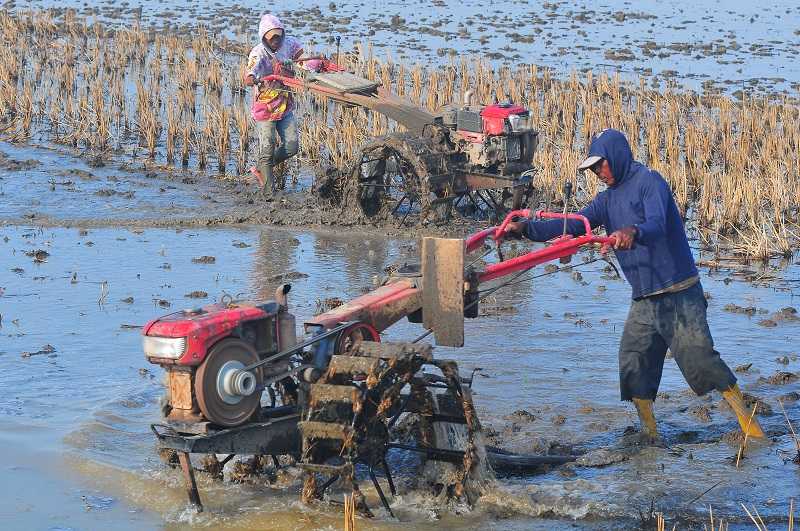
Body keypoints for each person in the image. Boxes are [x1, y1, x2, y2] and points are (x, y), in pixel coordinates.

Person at [504, 128, 765, 441]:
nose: (599, 173)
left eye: (602, 165)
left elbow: (656, 223)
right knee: (634, 365)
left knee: (701, 359)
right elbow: (576, 224)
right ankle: (650, 435)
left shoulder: (649, 183)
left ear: (618, 155)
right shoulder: (606, 200)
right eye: (593, 169)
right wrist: (527, 228)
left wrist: (632, 232)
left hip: (678, 290)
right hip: (644, 299)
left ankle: (750, 426)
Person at [244, 14, 303, 197]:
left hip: (285, 105)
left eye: (278, 36)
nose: (276, 41)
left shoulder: (289, 44)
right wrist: (254, 79)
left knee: (292, 146)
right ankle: (269, 195)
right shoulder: (258, 53)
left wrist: (312, 64)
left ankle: (263, 169)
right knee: (267, 149)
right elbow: (249, 75)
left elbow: (302, 57)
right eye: (272, 38)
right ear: (264, 38)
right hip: (266, 107)